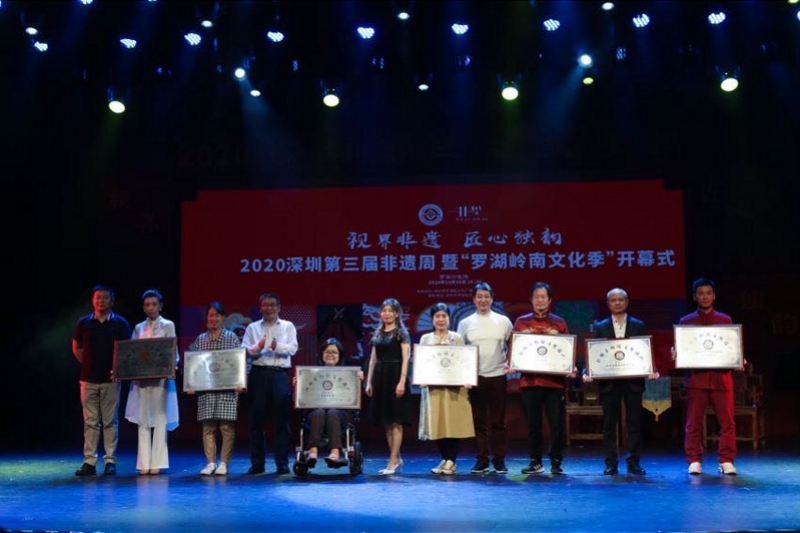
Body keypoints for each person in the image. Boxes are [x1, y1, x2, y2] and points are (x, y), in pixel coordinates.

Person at [583, 288, 659, 476]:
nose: (617, 303)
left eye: (621, 299)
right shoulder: (600, 326)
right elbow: (593, 353)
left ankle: (634, 462)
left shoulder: (638, 325)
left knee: (634, 423)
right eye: (613, 300)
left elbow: (644, 351)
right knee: (609, 424)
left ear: (627, 302)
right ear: (608, 304)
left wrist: (651, 369)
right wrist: (587, 371)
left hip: (633, 382)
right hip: (609, 383)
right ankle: (611, 463)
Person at [676, 278, 744, 476]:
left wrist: (739, 358)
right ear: (695, 297)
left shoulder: (725, 320)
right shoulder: (686, 322)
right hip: (696, 380)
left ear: (714, 295)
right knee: (693, 423)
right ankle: (694, 459)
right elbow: (682, 349)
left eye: (708, 293)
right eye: (701, 293)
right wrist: (676, 353)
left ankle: (726, 460)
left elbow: (733, 347)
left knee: (727, 422)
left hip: (721, 379)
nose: (705, 297)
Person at [512, 282, 573, 476]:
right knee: (533, 426)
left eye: (543, 297)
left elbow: (567, 352)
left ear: (550, 300)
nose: (540, 300)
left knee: (556, 425)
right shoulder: (521, 323)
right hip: (530, 383)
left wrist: (570, 367)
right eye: (536, 297)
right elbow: (514, 350)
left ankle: (556, 461)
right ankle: (535, 461)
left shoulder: (559, 323)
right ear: (531, 300)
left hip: (554, 384)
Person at [71, 284, 132, 477]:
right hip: (88, 380)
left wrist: (119, 370)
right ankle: (89, 462)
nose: (101, 301)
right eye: (97, 297)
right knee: (90, 422)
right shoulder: (83, 323)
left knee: (110, 422)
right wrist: (87, 364)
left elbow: (128, 351)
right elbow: (76, 346)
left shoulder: (120, 323)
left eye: (105, 298)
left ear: (111, 301)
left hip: (111, 380)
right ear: (93, 300)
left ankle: (110, 461)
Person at [456, 282, 513, 475]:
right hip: (475, 379)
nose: (483, 300)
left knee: (498, 422)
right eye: (479, 297)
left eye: (486, 296)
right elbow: (460, 352)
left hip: (498, 376)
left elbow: (514, 346)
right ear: (473, 300)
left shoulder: (503, 321)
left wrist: (511, 363)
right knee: (479, 422)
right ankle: (482, 460)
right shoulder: (465, 323)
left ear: (492, 298)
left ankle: (499, 460)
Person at [241, 292, 298, 475]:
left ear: (279, 307)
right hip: (258, 374)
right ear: (260, 308)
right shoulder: (252, 327)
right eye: (265, 305)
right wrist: (258, 347)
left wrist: (276, 346)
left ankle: (282, 463)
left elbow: (293, 348)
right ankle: (257, 463)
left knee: (281, 421)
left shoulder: (288, 326)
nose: (269, 308)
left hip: (279, 375)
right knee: (256, 421)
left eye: (273, 305)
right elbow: (244, 351)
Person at [124, 289, 180, 475]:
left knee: (160, 418)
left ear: (160, 306)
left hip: (161, 380)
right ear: (143, 307)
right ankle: (144, 463)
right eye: (147, 304)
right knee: (143, 419)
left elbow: (173, 352)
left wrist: (171, 367)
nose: (151, 307)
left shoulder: (168, 325)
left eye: (154, 304)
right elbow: (131, 353)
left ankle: (157, 461)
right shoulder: (138, 328)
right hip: (142, 380)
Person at [185, 301, 242, 476]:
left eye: (217, 315)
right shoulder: (201, 339)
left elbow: (239, 362)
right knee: (208, 428)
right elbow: (194, 365)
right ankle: (210, 462)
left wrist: (241, 383)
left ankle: (224, 463)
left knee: (226, 428)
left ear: (223, 318)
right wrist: (190, 384)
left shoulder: (231, 338)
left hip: (227, 389)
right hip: (206, 390)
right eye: (211, 315)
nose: (213, 319)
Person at [418, 303, 475, 475]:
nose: (441, 319)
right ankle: (445, 459)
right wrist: (421, 378)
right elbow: (422, 363)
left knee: (453, 423)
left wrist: (467, 379)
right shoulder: (426, 339)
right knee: (438, 424)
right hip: (434, 389)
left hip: (454, 389)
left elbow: (464, 361)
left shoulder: (456, 338)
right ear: (432, 319)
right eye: (437, 316)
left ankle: (451, 460)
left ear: (449, 319)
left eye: (444, 316)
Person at [298, 338, 364, 468]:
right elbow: (303, 396)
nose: (330, 355)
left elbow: (354, 396)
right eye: (327, 352)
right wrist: (299, 384)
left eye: (334, 352)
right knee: (319, 412)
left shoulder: (349, 373)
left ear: (340, 355)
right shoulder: (310, 373)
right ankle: (312, 452)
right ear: (322, 354)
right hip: (316, 412)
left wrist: (358, 380)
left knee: (333, 412)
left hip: (340, 413)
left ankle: (335, 453)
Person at [364, 298, 412, 475]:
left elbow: (406, 359)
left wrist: (402, 381)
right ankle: (396, 457)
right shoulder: (378, 333)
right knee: (386, 421)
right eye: (384, 310)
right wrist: (369, 381)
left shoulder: (401, 333)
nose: (387, 314)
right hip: (381, 377)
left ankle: (392, 462)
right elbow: (373, 359)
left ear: (397, 314)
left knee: (396, 421)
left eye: (390, 311)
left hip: (396, 376)